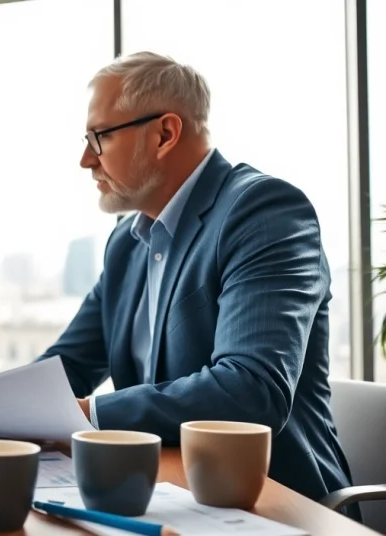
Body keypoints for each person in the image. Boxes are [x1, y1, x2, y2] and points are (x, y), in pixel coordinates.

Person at [39, 51, 353, 507]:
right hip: (163, 494)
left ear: (165, 134)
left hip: (276, 506)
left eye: (99, 137)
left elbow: (250, 390)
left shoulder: (264, 212)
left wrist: (88, 414)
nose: (86, 159)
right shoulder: (127, 243)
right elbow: (70, 365)